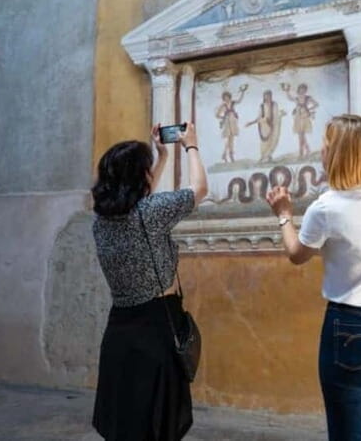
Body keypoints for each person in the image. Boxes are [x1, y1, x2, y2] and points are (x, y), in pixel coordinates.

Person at [266, 114, 361, 441]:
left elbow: (297, 254)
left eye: (326, 145)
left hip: (351, 329)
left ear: (340, 153)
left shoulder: (327, 208)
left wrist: (284, 215)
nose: (321, 151)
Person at [91, 123, 208, 441]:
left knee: (128, 424)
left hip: (120, 333)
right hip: (156, 328)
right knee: (156, 425)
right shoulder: (150, 213)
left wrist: (161, 157)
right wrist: (191, 146)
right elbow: (199, 190)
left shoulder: (100, 220)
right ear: (139, 177)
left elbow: (138, 198)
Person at [246, 90, 285, 163]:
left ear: (271, 96)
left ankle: (268, 156)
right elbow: (259, 117)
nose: (268, 98)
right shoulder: (262, 106)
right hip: (265, 125)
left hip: (274, 124)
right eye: (266, 96)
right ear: (264, 97)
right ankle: (264, 156)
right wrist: (251, 123)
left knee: (274, 140)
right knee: (265, 142)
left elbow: (276, 114)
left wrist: (281, 115)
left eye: (269, 96)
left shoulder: (275, 104)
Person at [282, 82, 319, 158]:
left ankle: (302, 152)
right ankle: (306, 150)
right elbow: (289, 98)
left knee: (301, 135)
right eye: (301, 89)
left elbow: (316, 104)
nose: (302, 91)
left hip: (305, 117)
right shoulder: (297, 98)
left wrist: (309, 109)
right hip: (298, 118)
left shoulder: (308, 98)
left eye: (304, 90)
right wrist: (287, 91)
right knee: (301, 135)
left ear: (305, 90)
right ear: (299, 90)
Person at [215, 84, 248, 163]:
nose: (226, 99)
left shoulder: (233, 103)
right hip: (227, 122)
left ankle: (226, 155)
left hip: (233, 121)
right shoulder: (223, 106)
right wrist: (223, 117)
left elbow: (239, 100)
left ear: (229, 97)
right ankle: (229, 155)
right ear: (223, 98)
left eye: (227, 97)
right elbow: (217, 115)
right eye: (225, 98)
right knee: (229, 139)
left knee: (231, 139)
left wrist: (243, 92)